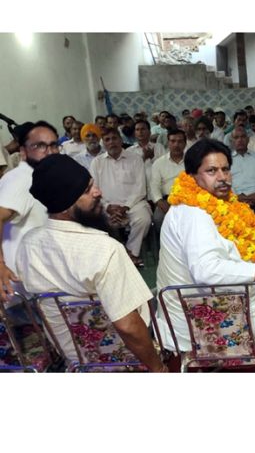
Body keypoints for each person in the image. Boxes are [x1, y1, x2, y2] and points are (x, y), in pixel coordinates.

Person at [15, 154, 166, 372]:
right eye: (87, 190)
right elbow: (128, 327)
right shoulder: (106, 250)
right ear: (65, 205)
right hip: (124, 357)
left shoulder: (28, 244)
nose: (98, 192)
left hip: (75, 358)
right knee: (157, 305)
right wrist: (158, 369)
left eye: (92, 184)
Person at [155, 138, 255, 353]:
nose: (222, 178)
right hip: (196, 318)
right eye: (212, 171)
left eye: (225, 170)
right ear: (191, 177)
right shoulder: (195, 213)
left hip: (200, 300)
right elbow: (207, 269)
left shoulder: (213, 205)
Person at [0, 121, 59, 302]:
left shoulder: (37, 175)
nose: (49, 151)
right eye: (39, 146)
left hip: (37, 275)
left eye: (53, 145)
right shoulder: (22, 179)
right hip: (24, 283)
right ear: (23, 151)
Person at [89, 128, 152, 267]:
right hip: (107, 206)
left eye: (114, 138)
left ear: (121, 140)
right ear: (103, 143)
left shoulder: (135, 159)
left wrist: (125, 207)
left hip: (133, 205)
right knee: (96, 221)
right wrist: (108, 207)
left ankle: (130, 253)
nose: (112, 142)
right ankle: (117, 256)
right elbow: (94, 190)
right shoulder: (97, 162)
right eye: (107, 140)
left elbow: (140, 188)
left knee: (144, 219)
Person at [150, 129, 186, 234]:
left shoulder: (191, 161)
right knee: (158, 219)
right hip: (167, 200)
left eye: (180, 141)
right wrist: (161, 202)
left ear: (185, 143)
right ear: (168, 143)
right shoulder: (158, 163)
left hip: (189, 200)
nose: (176, 145)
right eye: (173, 141)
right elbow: (154, 186)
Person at [127, 119, 165, 195]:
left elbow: (164, 167)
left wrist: (152, 157)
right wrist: (144, 158)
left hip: (158, 189)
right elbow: (129, 172)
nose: (140, 132)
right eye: (137, 130)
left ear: (149, 132)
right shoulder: (129, 151)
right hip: (138, 191)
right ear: (134, 133)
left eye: (143, 129)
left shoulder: (158, 147)